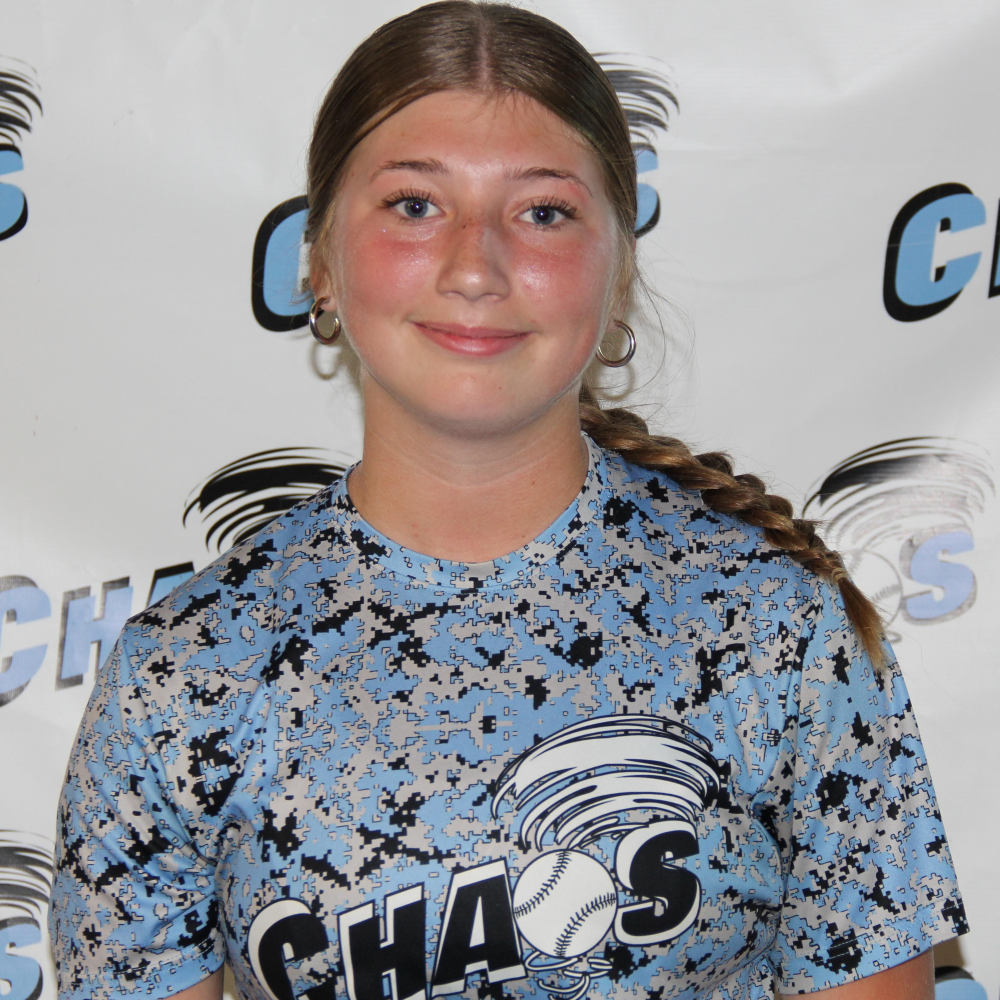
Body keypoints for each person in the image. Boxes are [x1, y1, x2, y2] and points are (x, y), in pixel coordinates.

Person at [49, 3, 966, 999]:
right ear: (319, 263)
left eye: (542, 212)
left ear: (618, 269)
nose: (475, 267)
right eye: (414, 205)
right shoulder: (184, 674)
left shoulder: (775, 628)